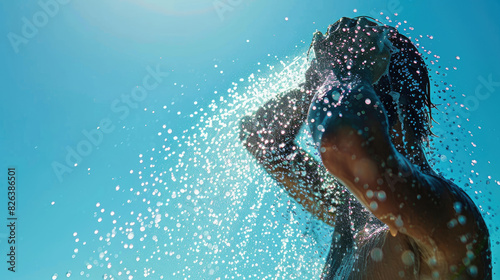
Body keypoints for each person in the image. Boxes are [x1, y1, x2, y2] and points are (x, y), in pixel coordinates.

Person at [239, 16, 491, 279]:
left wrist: (346, 71)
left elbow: (343, 142)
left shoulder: (444, 213)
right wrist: (313, 87)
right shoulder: (351, 209)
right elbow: (260, 139)